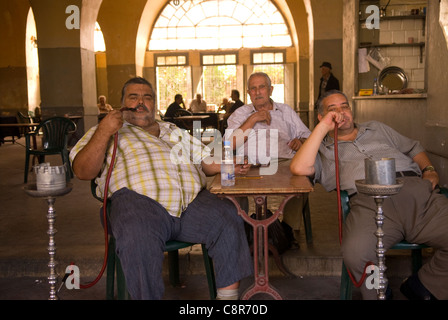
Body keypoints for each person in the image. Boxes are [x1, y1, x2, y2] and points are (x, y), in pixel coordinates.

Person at [70, 77, 253, 300]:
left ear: (154, 104)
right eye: (133, 97)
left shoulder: (173, 130)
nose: (141, 102)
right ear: (122, 103)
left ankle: (228, 299)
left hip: (191, 204)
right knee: (137, 234)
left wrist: (229, 164)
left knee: (228, 216)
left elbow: (205, 161)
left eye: (147, 97)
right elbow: (82, 171)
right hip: (138, 204)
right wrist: (104, 130)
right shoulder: (106, 132)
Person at [290, 90, 448, 300]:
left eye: (344, 106)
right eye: (332, 109)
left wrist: (429, 169)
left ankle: (423, 286)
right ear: (321, 117)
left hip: (415, 193)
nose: (341, 112)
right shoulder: (322, 150)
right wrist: (323, 128)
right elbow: (299, 167)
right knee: (356, 254)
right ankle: (379, 292)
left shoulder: (376, 127)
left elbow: (413, 147)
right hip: (368, 204)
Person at [225, 72, 311, 244]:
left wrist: (300, 141)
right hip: (249, 164)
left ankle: (286, 230)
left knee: (302, 178)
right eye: (253, 89)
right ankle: (243, 230)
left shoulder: (285, 110)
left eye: (262, 87)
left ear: (271, 89)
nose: (257, 92)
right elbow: (230, 143)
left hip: (283, 161)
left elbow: (307, 136)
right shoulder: (241, 113)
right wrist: (254, 118)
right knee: (231, 181)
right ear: (248, 93)